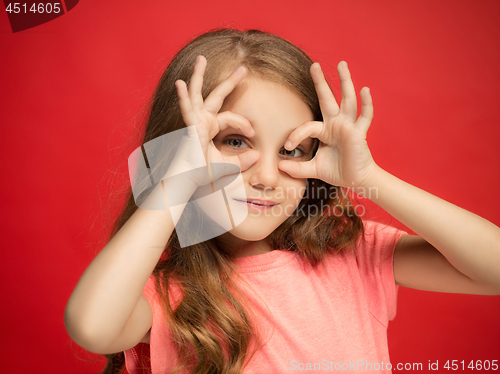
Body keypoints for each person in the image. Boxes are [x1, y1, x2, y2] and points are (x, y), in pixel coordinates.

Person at [64, 28, 500, 374]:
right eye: (235, 141)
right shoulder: (165, 294)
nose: (268, 176)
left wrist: (369, 178)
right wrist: (177, 180)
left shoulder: (352, 252)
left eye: (291, 150)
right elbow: (91, 327)